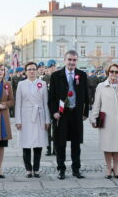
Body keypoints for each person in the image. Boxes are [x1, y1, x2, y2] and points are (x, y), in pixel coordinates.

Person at [48, 50, 89, 180]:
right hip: (61, 115)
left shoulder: (82, 75)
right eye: (69, 60)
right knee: (60, 144)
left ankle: (76, 169)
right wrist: (54, 112)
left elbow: (86, 96)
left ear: (77, 61)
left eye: (74, 60)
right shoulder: (56, 76)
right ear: (64, 60)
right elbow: (51, 97)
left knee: (76, 144)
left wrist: (85, 112)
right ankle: (61, 169)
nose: (72, 62)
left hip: (76, 114)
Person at [90, 64, 118, 179]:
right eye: (111, 71)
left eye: (116, 72)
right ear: (108, 72)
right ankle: (109, 168)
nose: (114, 74)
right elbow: (96, 104)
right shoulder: (101, 86)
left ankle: (116, 168)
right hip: (106, 121)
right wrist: (93, 118)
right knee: (107, 146)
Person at [15, 62, 50, 178]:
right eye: (29, 69)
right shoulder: (21, 84)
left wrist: (47, 120)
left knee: (38, 144)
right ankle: (28, 169)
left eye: (34, 69)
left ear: (37, 70)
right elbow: (18, 104)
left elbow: (45, 103)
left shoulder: (43, 83)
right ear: (25, 71)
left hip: (39, 116)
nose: (32, 71)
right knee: (26, 143)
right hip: (25, 116)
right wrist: (18, 120)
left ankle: (36, 168)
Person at [43, 59, 57, 156]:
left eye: (53, 66)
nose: (52, 68)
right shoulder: (44, 79)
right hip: (47, 106)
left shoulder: (59, 77)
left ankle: (55, 148)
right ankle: (48, 148)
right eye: (50, 67)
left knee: (56, 129)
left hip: (56, 106)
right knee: (47, 128)